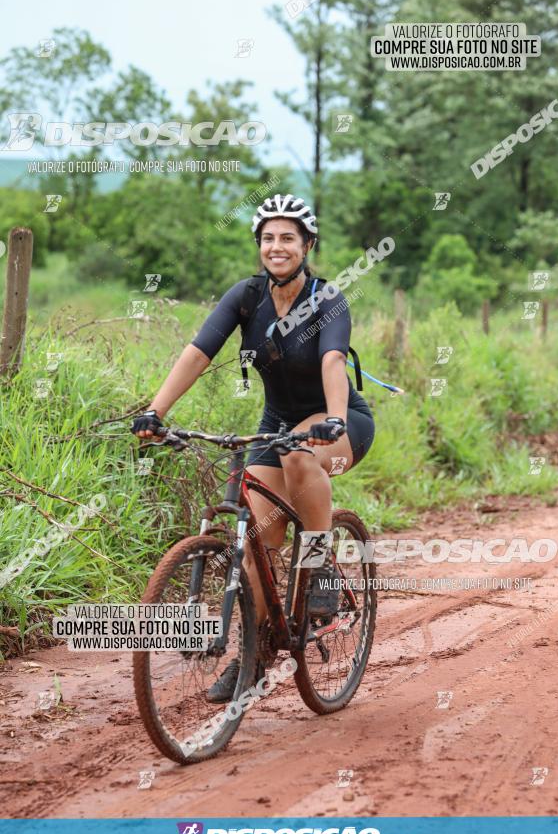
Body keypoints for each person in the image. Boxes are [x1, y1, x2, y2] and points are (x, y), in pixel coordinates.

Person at [131, 193, 375, 701]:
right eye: (268, 237)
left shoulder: (328, 300)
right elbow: (198, 352)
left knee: (299, 455)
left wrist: (331, 419)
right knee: (255, 546)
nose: (276, 246)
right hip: (278, 423)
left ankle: (320, 561)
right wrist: (157, 411)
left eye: (288, 237)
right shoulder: (246, 297)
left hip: (340, 420)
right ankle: (253, 658)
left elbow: (333, 361)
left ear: (307, 245)